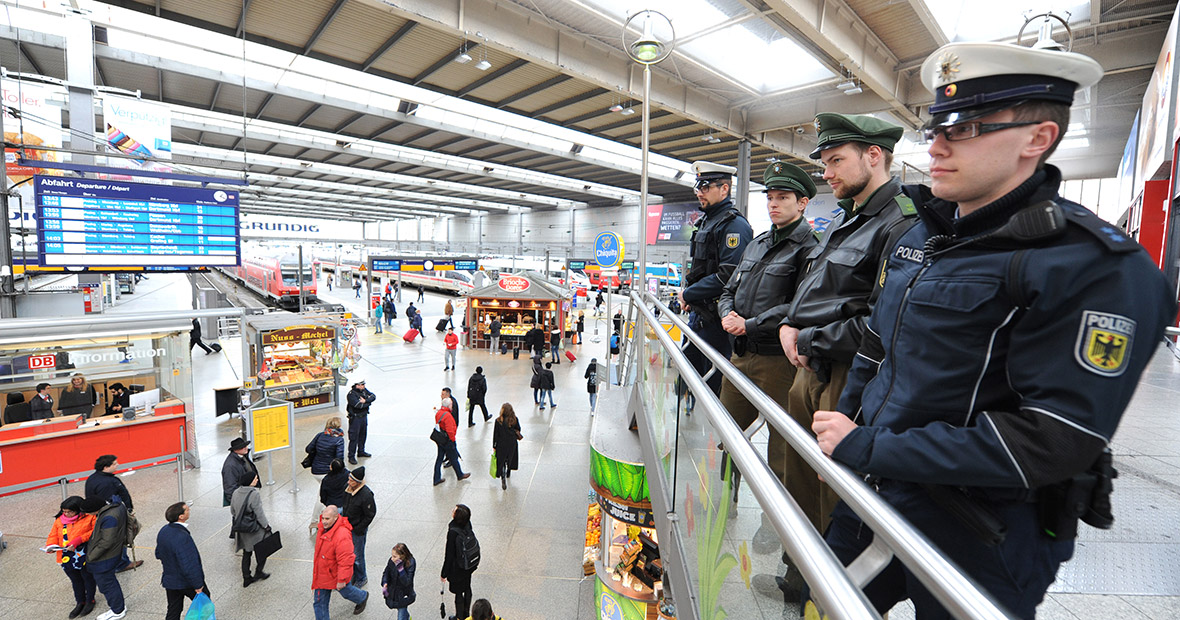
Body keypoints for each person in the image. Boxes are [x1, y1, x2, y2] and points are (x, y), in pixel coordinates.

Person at [813, 42, 1177, 620]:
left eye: (966, 127)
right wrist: (854, 427)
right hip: (875, 498)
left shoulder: (1098, 269)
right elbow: (879, 348)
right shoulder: (926, 240)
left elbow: (1051, 439)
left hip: (983, 534)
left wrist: (871, 444)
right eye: (935, 128)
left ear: (1039, 137)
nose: (935, 146)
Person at [773, 113, 917, 546]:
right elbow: (812, 289)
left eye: (836, 161)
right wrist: (788, 322)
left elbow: (885, 322)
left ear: (873, 156)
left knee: (835, 496)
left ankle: (831, 592)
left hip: (848, 379)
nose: (826, 173)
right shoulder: (843, 218)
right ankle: (801, 569)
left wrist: (805, 337)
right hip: (809, 371)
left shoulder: (901, 223)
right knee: (797, 482)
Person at [716, 161, 819, 567]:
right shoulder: (757, 243)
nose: (774, 205)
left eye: (783, 198)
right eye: (770, 198)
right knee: (728, 433)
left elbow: (800, 305)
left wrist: (751, 323)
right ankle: (727, 499)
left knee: (782, 448)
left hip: (778, 362)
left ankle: (772, 522)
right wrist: (727, 312)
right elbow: (730, 287)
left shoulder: (811, 248)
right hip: (740, 356)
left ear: (803, 203)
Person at [678, 160, 754, 397]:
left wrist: (688, 293)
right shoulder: (706, 222)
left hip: (717, 323)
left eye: (706, 187)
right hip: (698, 316)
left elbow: (727, 276)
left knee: (713, 390)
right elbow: (700, 268)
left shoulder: (735, 226)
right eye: (698, 187)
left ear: (724, 189)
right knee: (686, 382)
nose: (699, 192)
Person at [85, 454, 140, 572]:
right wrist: (128, 511)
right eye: (114, 464)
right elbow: (111, 502)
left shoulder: (92, 478)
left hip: (102, 515)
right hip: (114, 515)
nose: (118, 465)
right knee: (119, 537)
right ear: (106, 467)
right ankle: (122, 563)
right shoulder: (108, 483)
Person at [312, 505, 369, 619]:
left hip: (334, 573)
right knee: (319, 602)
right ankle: (362, 597)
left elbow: (346, 559)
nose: (324, 521)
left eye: (327, 519)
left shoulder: (342, 535)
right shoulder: (323, 528)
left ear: (336, 517)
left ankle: (362, 597)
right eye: (323, 518)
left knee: (345, 590)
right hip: (323, 572)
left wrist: (342, 579)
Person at [46, 496, 97, 619]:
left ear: (78, 510)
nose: (66, 514)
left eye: (70, 511)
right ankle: (80, 601)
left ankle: (90, 600)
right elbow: (53, 535)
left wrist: (79, 540)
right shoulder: (59, 520)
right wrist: (50, 546)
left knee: (87, 577)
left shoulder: (90, 517)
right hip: (66, 555)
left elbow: (94, 532)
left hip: (83, 554)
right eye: (64, 511)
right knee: (75, 580)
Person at [156, 502, 208, 620]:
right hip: (185, 581)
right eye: (187, 510)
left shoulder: (163, 530)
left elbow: (158, 553)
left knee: (174, 610)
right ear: (181, 516)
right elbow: (189, 563)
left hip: (170, 580)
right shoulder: (182, 537)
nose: (189, 511)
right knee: (204, 603)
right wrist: (198, 584)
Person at [81, 496, 128, 620]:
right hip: (114, 553)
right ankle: (118, 607)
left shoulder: (108, 517)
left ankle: (118, 610)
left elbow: (106, 542)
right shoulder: (117, 505)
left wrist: (91, 556)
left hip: (106, 557)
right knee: (109, 582)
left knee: (107, 584)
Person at [306, 417, 347, 532]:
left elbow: (308, 448)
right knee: (321, 497)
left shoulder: (320, 435)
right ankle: (314, 520)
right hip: (326, 472)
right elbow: (339, 459)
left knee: (324, 493)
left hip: (315, 470)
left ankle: (323, 517)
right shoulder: (339, 440)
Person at [231, 472, 271, 588]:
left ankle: (246, 577)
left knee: (246, 553)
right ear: (251, 481)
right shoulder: (254, 494)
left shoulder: (235, 492)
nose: (256, 479)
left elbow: (233, 511)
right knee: (263, 550)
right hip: (254, 529)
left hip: (241, 528)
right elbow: (259, 513)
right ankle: (259, 572)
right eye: (255, 478)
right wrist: (266, 526)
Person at [342, 466, 377, 589]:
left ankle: (362, 577)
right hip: (347, 527)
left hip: (357, 530)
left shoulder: (366, 495)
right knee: (349, 553)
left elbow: (370, 514)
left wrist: (358, 528)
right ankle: (354, 574)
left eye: (351, 480)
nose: (348, 482)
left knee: (357, 555)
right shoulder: (348, 490)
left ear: (357, 482)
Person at [440, 504, 476, 620]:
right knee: (467, 587)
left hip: (458, 567)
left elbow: (449, 555)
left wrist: (444, 573)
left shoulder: (453, 532)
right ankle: (466, 613)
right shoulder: (467, 524)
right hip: (468, 564)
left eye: (454, 511)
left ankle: (459, 617)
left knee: (459, 592)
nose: (452, 511)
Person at [221, 437, 259, 538]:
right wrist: (236, 501)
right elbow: (229, 487)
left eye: (245, 445)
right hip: (240, 495)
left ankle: (238, 534)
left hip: (245, 492)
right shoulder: (230, 466)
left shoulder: (241, 457)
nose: (246, 448)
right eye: (243, 447)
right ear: (235, 449)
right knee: (240, 515)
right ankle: (238, 535)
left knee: (243, 515)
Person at [433, 400, 470, 485]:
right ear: (448, 406)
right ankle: (460, 475)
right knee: (454, 458)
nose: (452, 406)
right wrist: (453, 441)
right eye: (451, 405)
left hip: (440, 440)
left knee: (439, 459)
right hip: (448, 441)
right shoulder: (448, 416)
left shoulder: (438, 413)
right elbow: (450, 431)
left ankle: (436, 478)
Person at [381, 543, 416, 620]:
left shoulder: (410, 563)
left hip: (403, 595)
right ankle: (407, 617)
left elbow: (407, 582)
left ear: (402, 556)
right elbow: (386, 572)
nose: (392, 558)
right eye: (392, 556)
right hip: (393, 592)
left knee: (401, 615)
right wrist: (385, 582)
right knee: (402, 613)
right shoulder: (391, 561)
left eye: (395, 556)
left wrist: (400, 569)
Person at [492, 403, 522, 490]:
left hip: (501, 444)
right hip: (512, 443)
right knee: (510, 458)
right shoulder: (514, 420)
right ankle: (508, 471)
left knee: (502, 460)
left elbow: (496, 434)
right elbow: (519, 429)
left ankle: (503, 475)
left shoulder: (498, 421)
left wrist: (494, 445)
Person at [346, 380, 376, 465]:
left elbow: (373, 396)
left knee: (363, 435)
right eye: (362, 384)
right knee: (354, 437)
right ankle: (351, 456)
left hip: (363, 417)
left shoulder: (364, 391)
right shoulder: (351, 394)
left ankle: (361, 451)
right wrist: (368, 403)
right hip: (355, 418)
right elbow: (358, 405)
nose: (364, 386)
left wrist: (366, 401)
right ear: (357, 385)